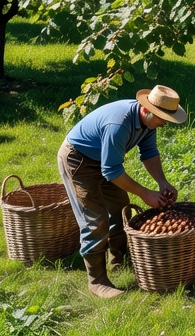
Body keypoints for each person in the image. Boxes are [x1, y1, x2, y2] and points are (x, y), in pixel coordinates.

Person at [57, 85, 187, 298]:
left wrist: (163, 183)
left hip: (104, 161)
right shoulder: (119, 124)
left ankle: (117, 259)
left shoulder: (147, 124)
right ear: (146, 110)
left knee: (120, 208)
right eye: (162, 118)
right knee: (95, 220)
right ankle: (97, 281)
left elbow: (149, 152)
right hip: (78, 160)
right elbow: (112, 171)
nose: (164, 124)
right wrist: (146, 194)